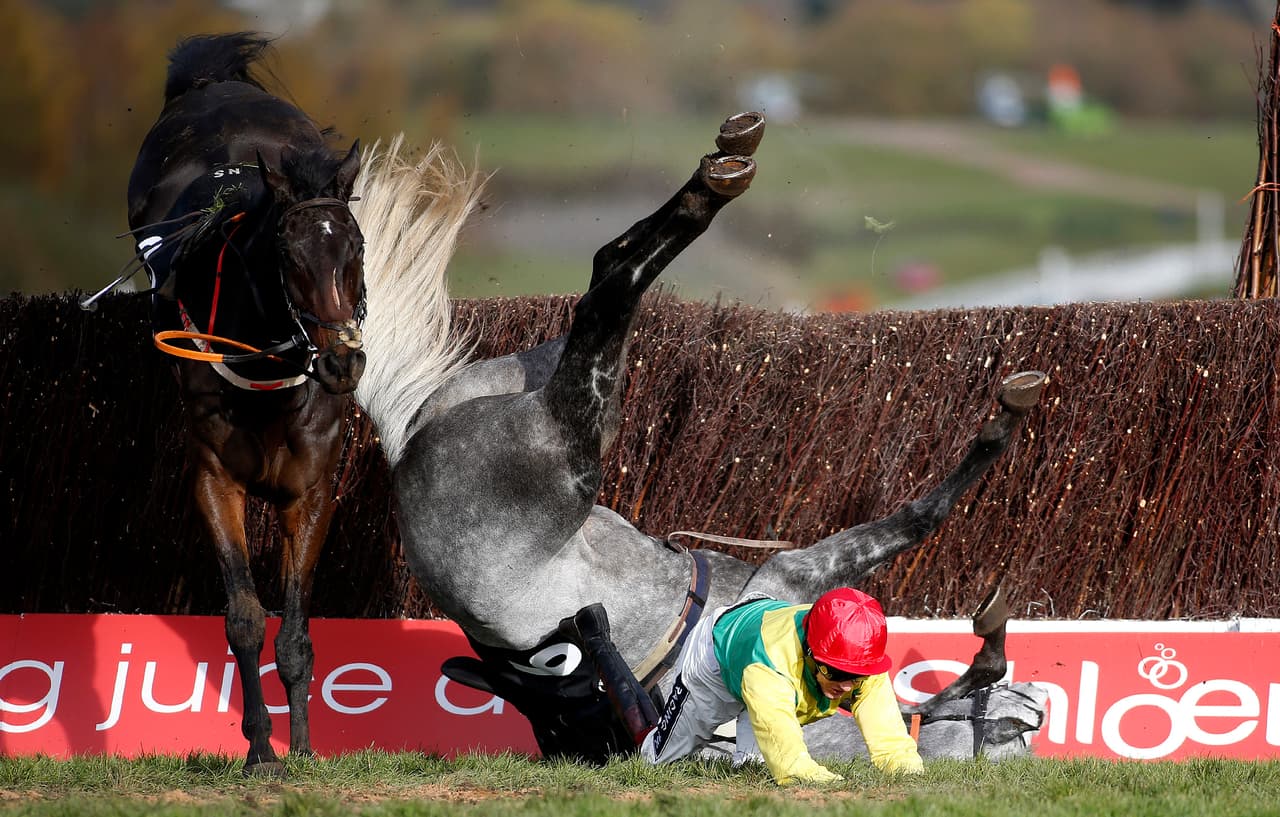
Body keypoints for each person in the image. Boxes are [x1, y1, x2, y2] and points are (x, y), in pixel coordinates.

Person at [639, 586, 923, 784]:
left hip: (768, 646)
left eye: (858, 675)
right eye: (837, 672)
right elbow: (792, 766)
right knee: (659, 763)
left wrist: (907, 772)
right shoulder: (769, 667)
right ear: (811, 652)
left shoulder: (860, 653)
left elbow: (891, 743)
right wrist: (809, 776)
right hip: (716, 657)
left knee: (753, 770)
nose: (848, 686)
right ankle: (646, 740)